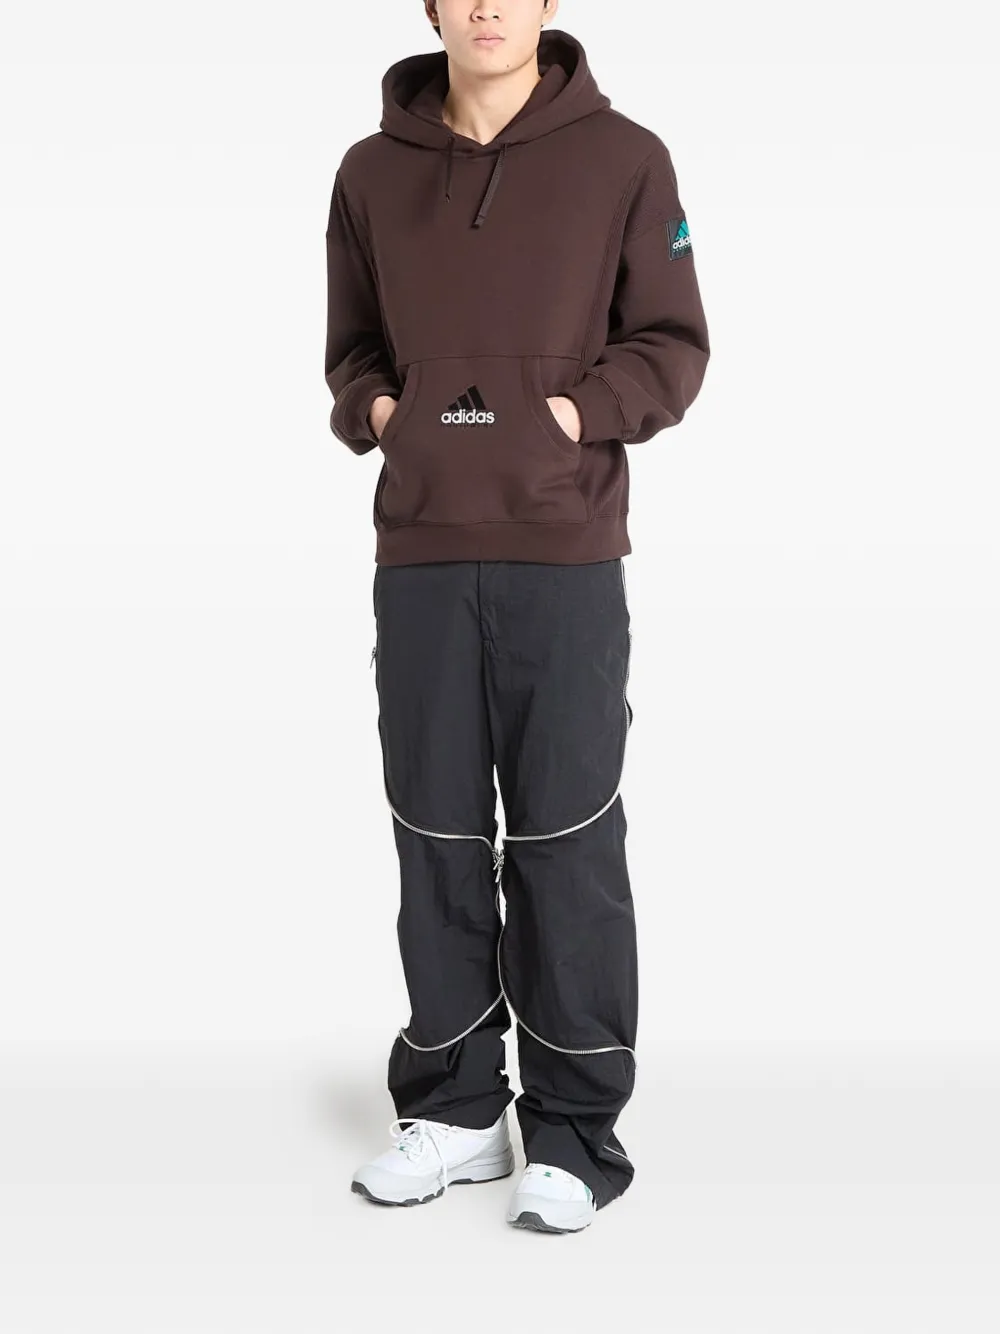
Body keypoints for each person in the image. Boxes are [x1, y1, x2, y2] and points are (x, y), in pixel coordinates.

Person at [324, 0, 710, 1233]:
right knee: (434, 831)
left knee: (565, 836)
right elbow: (352, 351)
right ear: (433, 6)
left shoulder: (626, 158)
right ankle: (453, 1108)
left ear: (548, 3)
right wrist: (388, 417)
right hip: (422, 552)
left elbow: (670, 343)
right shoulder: (369, 171)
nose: (487, 3)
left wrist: (568, 419)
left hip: (565, 551)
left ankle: (575, 1129)